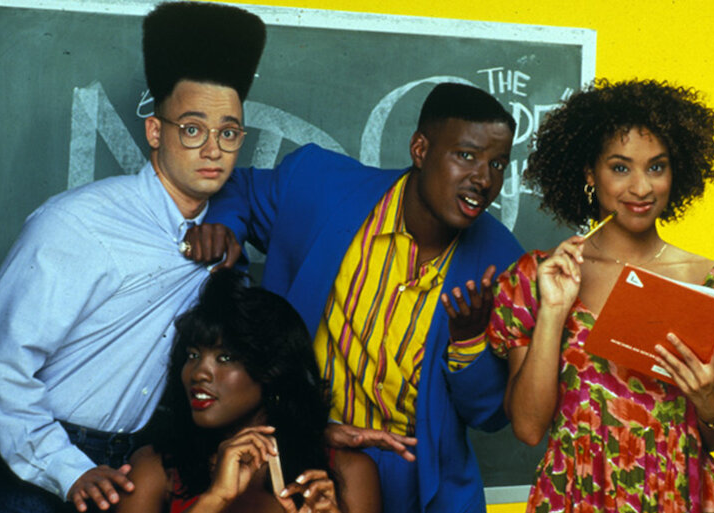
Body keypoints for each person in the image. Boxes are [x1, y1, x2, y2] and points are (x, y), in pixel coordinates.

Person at [0, 3, 263, 512]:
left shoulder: (219, 244)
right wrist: (66, 467)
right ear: (155, 132)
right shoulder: (79, 222)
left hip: (136, 467)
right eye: (193, 129)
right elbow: (0, 366)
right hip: (42, 457)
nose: (213, 150)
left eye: (229, 132)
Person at [185, 83, 524, 513]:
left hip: (417, 479)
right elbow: (240, 190)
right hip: (306, 458)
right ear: (420, 149)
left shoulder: (503, 262)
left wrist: (469, 342)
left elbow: (490, 415)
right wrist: (225, 231)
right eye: (467, 156)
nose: (484, 179)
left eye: (497, 164)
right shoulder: (322, 186)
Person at [483, 79, 714, 512]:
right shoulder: (537, 279)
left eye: (656, 167)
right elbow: (529, 429)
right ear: (589, 174)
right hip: (578, 496)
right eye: (620, 168)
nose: (642, 188)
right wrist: (554, 310)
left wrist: (713, 406)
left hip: (679, 495)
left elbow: (713, 438)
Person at [116, 269, 381, 513]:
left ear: (273, 370)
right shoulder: (154, 467)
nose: (198, 373)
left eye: (225, 358)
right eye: (193, 355)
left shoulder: (348, 471)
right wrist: (215, 498)